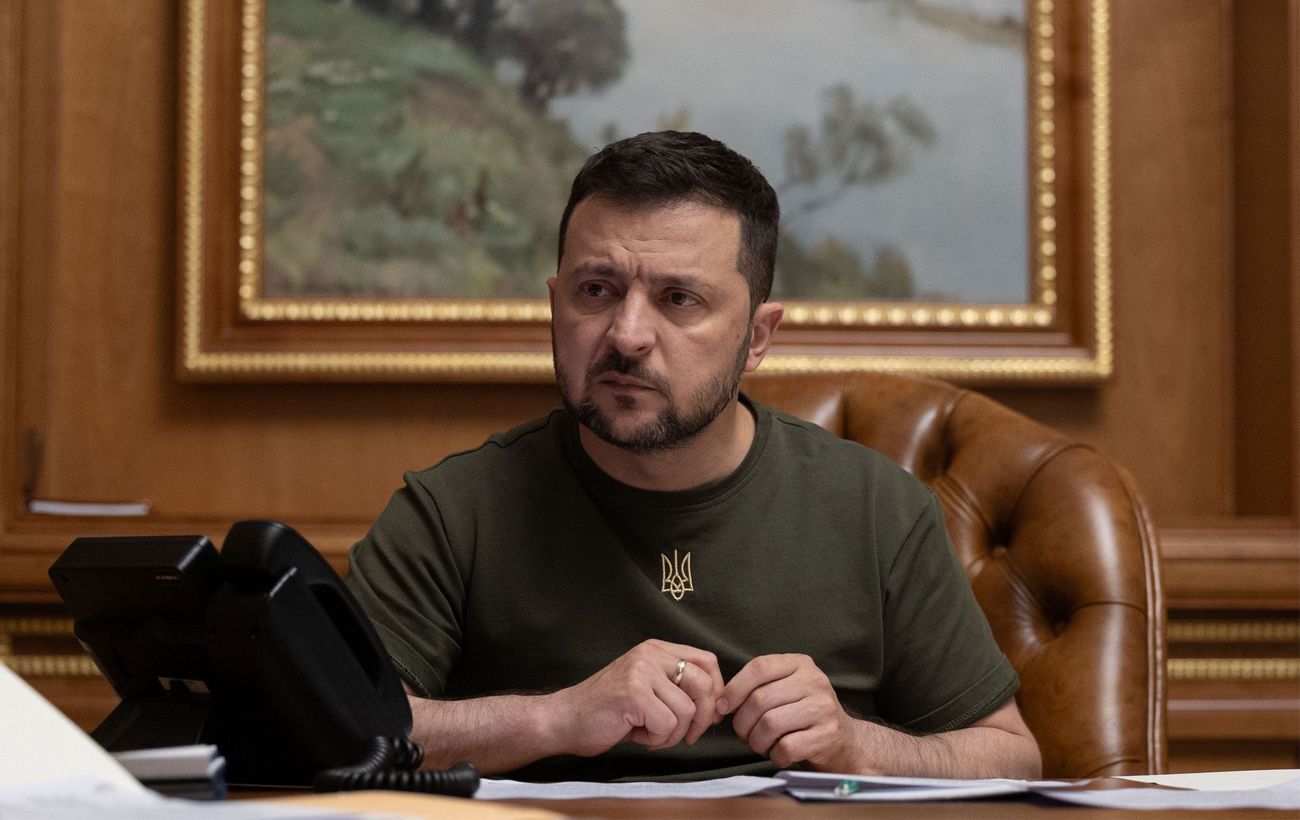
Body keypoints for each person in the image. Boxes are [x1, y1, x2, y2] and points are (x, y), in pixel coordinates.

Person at [345, 131, 1041, 782]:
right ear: (556, 304)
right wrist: (553, 718)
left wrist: (858, 746)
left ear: (758, 337)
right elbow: (342, 728)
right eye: (596, 291)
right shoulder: (452, 510)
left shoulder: (877, 509)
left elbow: (1011, 755)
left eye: (679, 299)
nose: (627, 334)